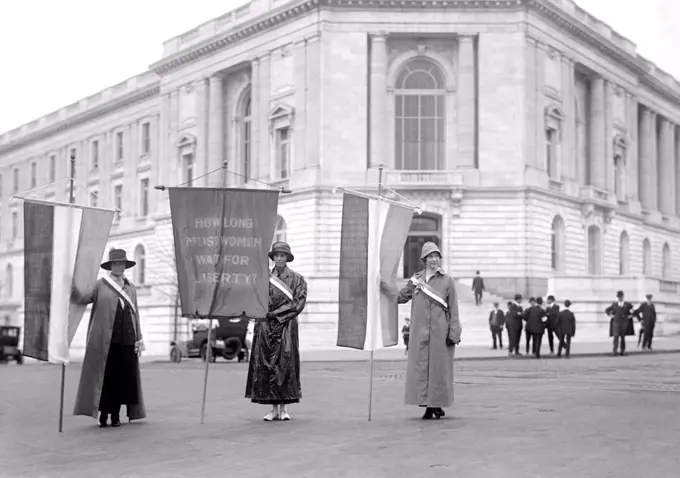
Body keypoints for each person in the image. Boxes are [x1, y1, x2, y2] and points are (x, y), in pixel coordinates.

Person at [381, 242, 462, 420]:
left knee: (438, 370)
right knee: (422, 369)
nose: (434, 259)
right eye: (430, 256)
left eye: (436, 256)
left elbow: (454, 308)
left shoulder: (447, 280)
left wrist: (454, 332)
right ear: (424, 259)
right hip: (419, 333)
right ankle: (428, 405)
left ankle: (435, 405)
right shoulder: (416, 280)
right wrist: (385, 288)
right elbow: (401, 297)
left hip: (440, 333)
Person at [72, 249, 146, 428]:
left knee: (123, 380)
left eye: (122, 263)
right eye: (116, 263)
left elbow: (136, 314)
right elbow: (83, 298)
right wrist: (72, 284)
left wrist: (139, 337)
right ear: (110, 266)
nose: (119, 266)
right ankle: (103, 414)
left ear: (125, 266)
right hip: (106, 342)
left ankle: (115, 415)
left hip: (127, 341)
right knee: (106, 379)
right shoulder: (100, 285)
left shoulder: (131, 288)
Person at [245, 241, 307, 421]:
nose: (279, 258)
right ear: (273, 258)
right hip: (265, 326)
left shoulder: (298, 279)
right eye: (277, 255)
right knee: (267, 366)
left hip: (286, 325)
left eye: (283, 255)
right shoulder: (262, 279)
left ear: (287, 258)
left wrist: (275, 314)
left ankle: (284, 408)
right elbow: (254, 300)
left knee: (285, 365)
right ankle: (273, 409)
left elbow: (298, 303)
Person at [605, 290, 634, 356]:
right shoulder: (614, 305)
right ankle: (614, 351)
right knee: (616, 336)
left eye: (621, 297)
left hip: (624, 322)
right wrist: (611, 315)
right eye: (619, 297)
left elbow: (633, 311)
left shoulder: (628, 305)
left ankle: (622, 350)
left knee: (623, 337)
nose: (620, 298)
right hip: (616, 322)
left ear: (623, 297)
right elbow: (607, 310)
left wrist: (630, 316)